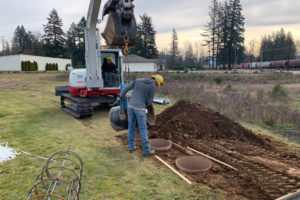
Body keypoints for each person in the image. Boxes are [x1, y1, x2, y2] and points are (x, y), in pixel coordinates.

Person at [120, 75, 164, 157]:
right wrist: (145, 104)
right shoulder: (152, 87)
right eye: (158, 85)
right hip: (140, 109)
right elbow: (149, 102)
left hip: (131, 107)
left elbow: (126, 89)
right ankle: (146, 151)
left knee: (131, 127)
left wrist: (121, 97)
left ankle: (131, 147)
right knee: (143, 129)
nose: (157, 86)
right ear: (156, 81)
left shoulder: (138, 80)